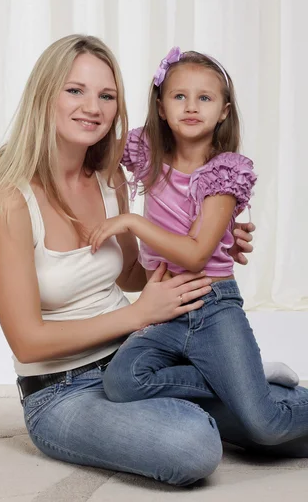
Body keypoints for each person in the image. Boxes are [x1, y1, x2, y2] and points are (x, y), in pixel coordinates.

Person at [0, 35, 302, 490]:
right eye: (75, 90)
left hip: (139, 362)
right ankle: (222, 388)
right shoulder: (9, 199)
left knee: (271, 424)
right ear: (45, 94)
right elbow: (27, 343)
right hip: (63, 394)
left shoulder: (109, 180)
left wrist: (209, 235)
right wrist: (138, 314)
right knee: (194, 446)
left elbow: (134, 273)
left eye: (106, 96)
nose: (93, 107)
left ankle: (233, 386)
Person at [86, 46, 308, 447]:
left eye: (205, 97)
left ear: (223, 110)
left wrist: (132, 221)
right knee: (122, 382)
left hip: (213, 305)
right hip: (165, 305)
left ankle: (249, 382)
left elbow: (195, 254)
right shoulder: (147, 151)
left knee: (266, 427)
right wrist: (17, 159)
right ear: (161, 105)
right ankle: (244, 376)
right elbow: (86, 148)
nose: (191, 106)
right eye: (179, 96)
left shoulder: (224, 172)